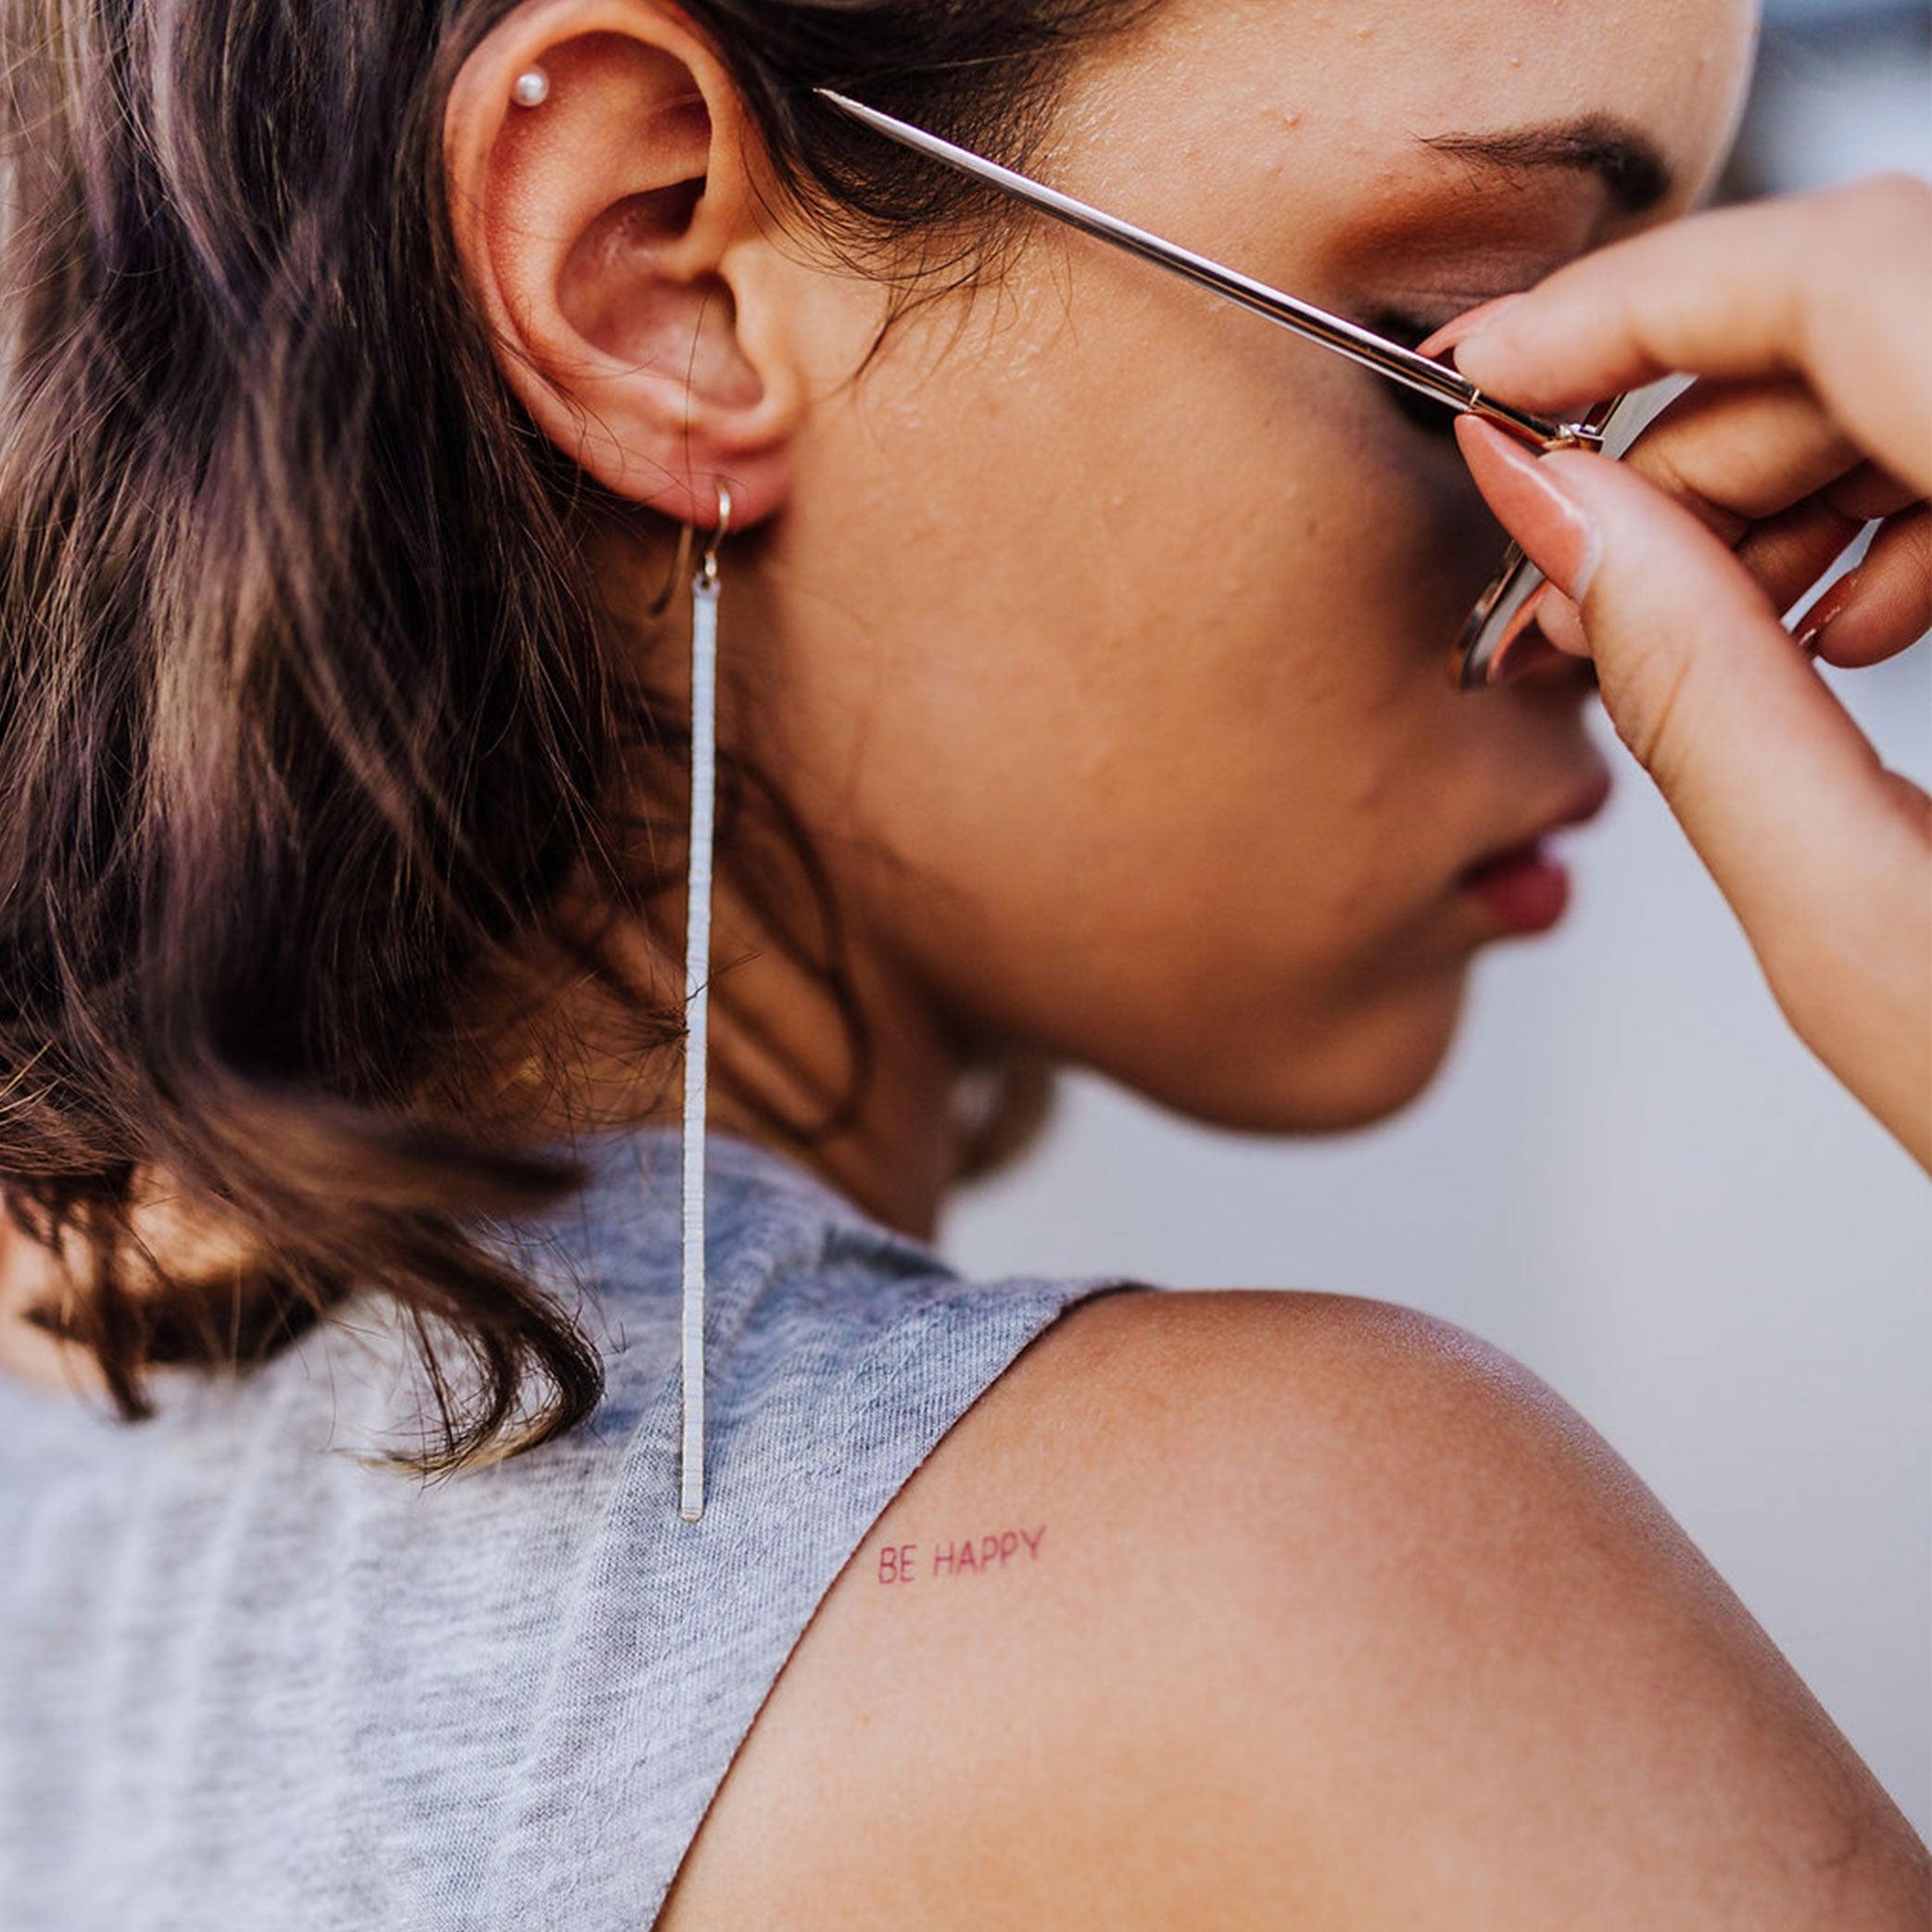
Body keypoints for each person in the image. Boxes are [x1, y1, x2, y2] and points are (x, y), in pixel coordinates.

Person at [0, 0, 1925, 1926]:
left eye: (1681, 390)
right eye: (1459, 358)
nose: (1645, 576)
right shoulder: (1274, 1596)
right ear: (658, 277)